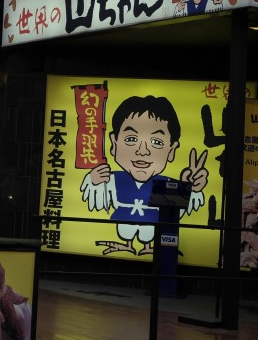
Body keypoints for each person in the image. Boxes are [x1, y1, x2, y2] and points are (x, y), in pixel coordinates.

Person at [79, 94, 208, 256]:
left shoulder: (165, 183)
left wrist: (190, 188)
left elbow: (175, 213)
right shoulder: (113, 179)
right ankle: (128, 244)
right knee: (127, 229)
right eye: (131, 139)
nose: (142, 151)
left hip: (153, 225)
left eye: (156, 142)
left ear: (171, 150)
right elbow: (98, 197)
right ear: (114, 143)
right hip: (125, 218)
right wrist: (93, 180)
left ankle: (148, 246)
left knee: (150, 231)